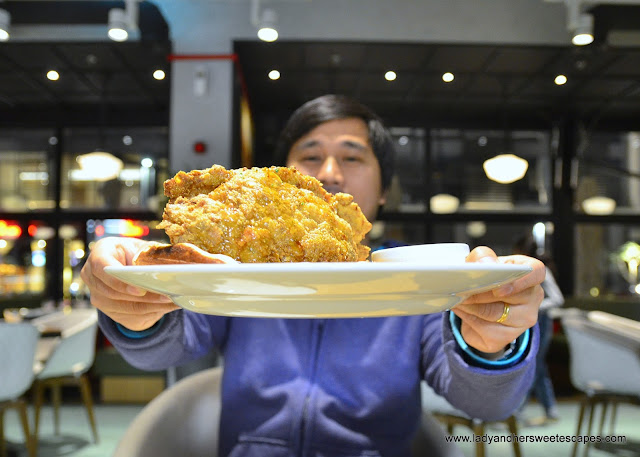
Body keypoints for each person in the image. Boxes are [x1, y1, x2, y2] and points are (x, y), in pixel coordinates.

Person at [81, 94, 545, 457]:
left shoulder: (418, 278)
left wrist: (493, 339)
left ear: (383, 191)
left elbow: (488, 405)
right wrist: (134, 306)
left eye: (353, 157)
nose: (329, 173)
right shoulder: (237, 270)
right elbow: (167, 345)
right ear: (280, 182)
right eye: (309, 156)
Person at [513, 234, 565, 425]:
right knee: (535, 365)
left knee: (534, 365)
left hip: (541, 322)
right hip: (529, 323)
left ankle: (519, 408)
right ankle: (549, 408)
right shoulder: (521, 270)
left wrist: (536, 305)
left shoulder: (541, 271)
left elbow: (558, 299)